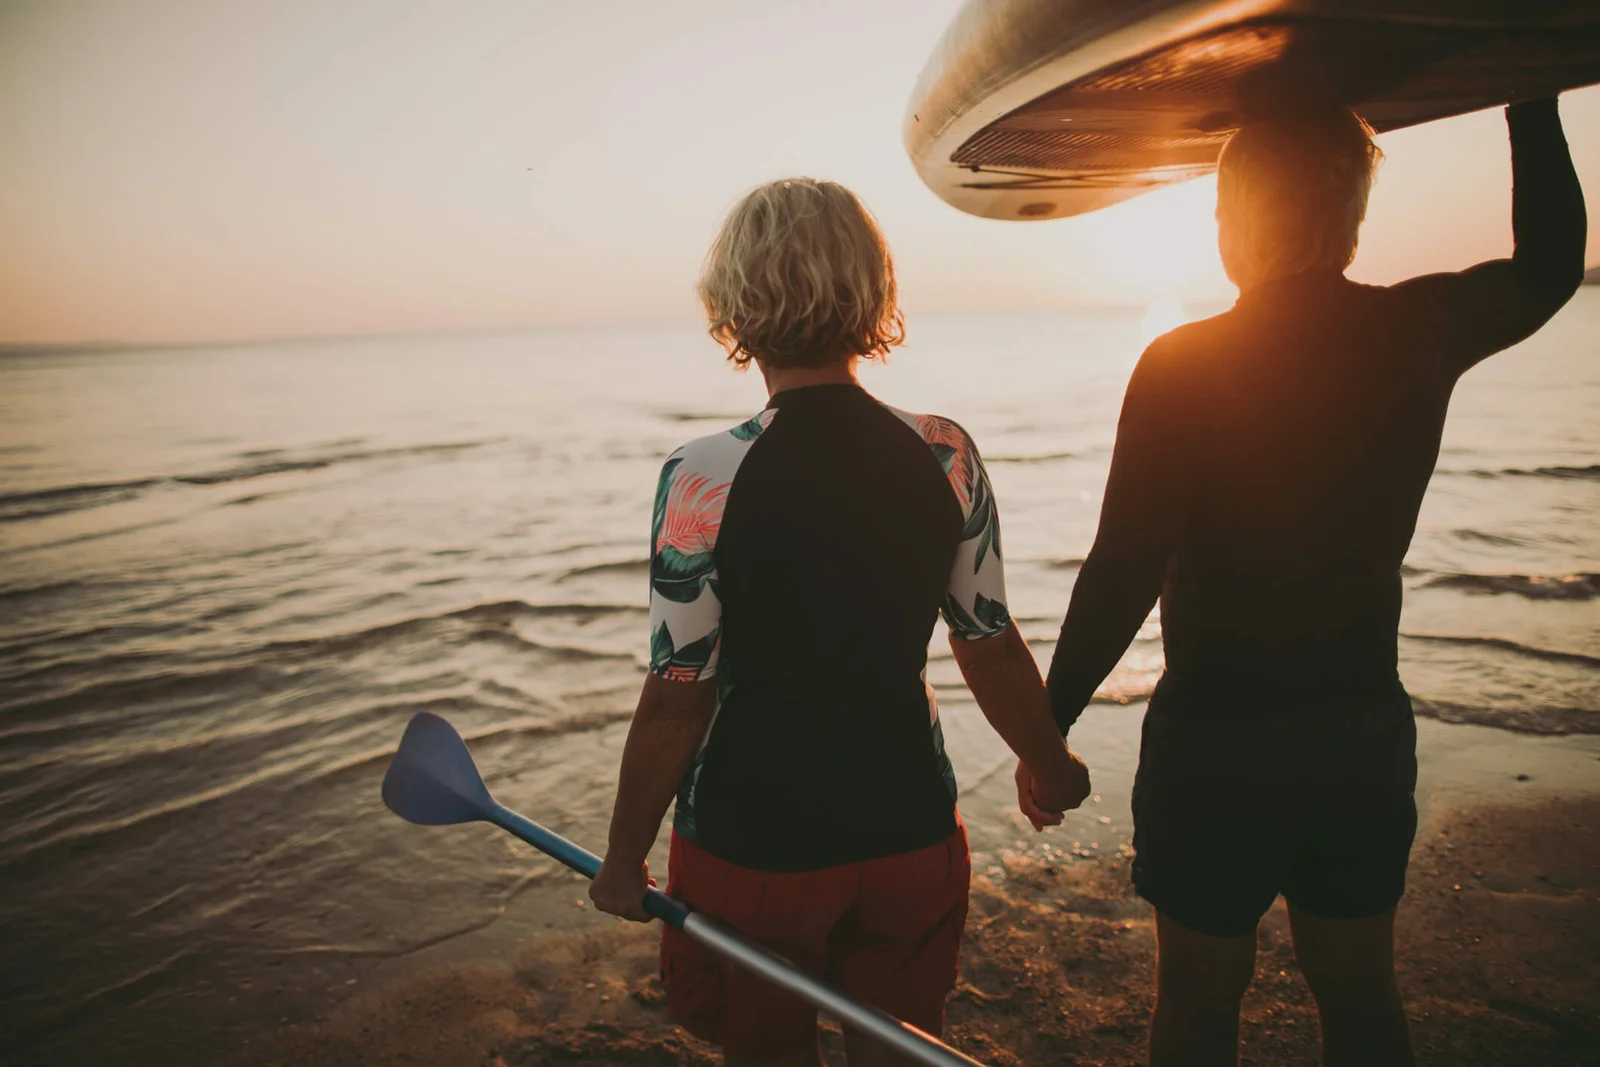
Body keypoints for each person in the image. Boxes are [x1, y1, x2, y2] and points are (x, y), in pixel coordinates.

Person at [1033, 98, 1585, 1067]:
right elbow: (1548, 264)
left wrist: (1045, 732)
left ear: (1234, 218)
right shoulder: (1419, 325)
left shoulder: (1182, 364)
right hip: (1357, 727)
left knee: (1199, 1006)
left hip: (1216, 739)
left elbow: (1123, 566)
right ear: (1352, 215)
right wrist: (1528, 100)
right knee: (1358, 989)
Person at [589, 176, 1092, 1067]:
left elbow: (679, 695)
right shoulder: (944, 451)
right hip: (909, 829)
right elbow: (988, 642)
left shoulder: (703, 475)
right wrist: (1049, 767)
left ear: (737, 302)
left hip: (754, 848)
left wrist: (624, 859)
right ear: (871, 291)